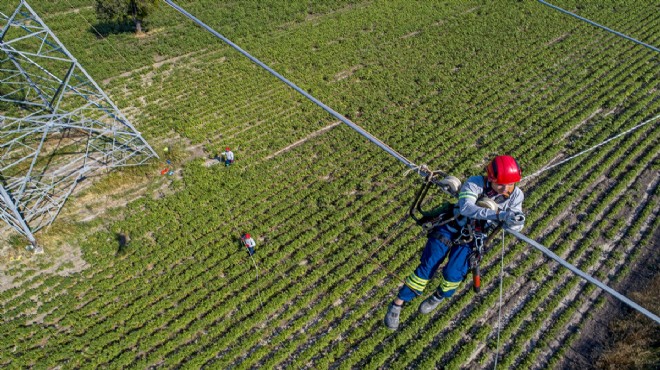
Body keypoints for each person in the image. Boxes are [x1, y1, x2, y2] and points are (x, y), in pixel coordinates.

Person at [384, 155, 526, 330]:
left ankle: (439, 295)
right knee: (427, 267)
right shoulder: (475, 183)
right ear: (490, 179)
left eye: (510, 184)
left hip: (473, 237)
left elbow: (517, 226)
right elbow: (466, 208)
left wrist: (514, 220)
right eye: (501, 185)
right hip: (451, 226)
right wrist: (498, 214)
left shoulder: (516, 195)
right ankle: (397, 304)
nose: (505, 189)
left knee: (453, 274)